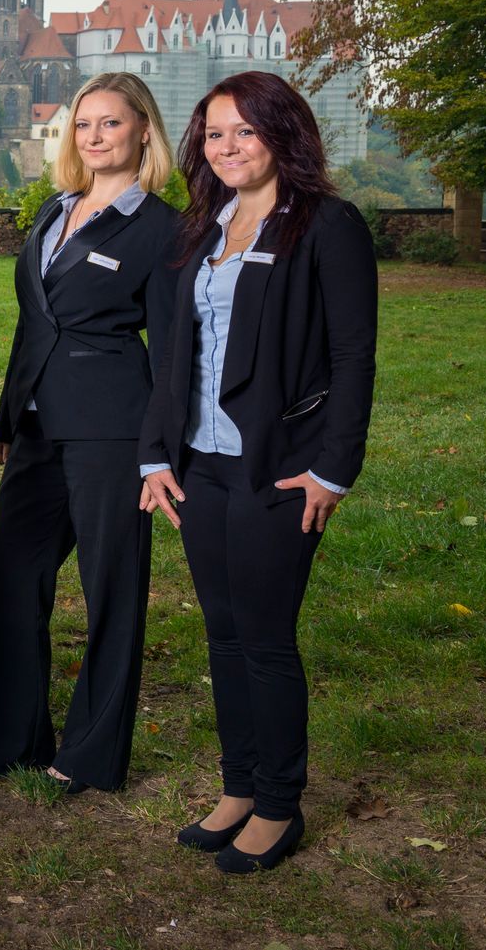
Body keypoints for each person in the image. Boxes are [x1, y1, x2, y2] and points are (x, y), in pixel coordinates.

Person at [139, 72, 377, 873]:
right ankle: (239, 785)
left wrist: (332, 470)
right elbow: (172, 351)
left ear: (283, 132)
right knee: (223, 631)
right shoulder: (201, 227)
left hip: (279, 466)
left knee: (266, 637)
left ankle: (279, 803)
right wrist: (156, 452)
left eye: (245, 130)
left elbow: (353, 356)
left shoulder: (326, 225)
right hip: (199, 463)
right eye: (214, 133)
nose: (228, 146)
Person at [0, 74, 180, 795]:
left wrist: (158, 450)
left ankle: (90, 754)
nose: (93, 136)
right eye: (83, 124)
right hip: (36, 426)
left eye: (110, 123)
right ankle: (9, 741)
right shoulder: (55, 210)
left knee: (110, 589)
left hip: (113, 430)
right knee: (7, 572)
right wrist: (6, 415)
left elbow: (173, 351)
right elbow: (34, 324)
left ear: (143, 130)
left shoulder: (162, 229)